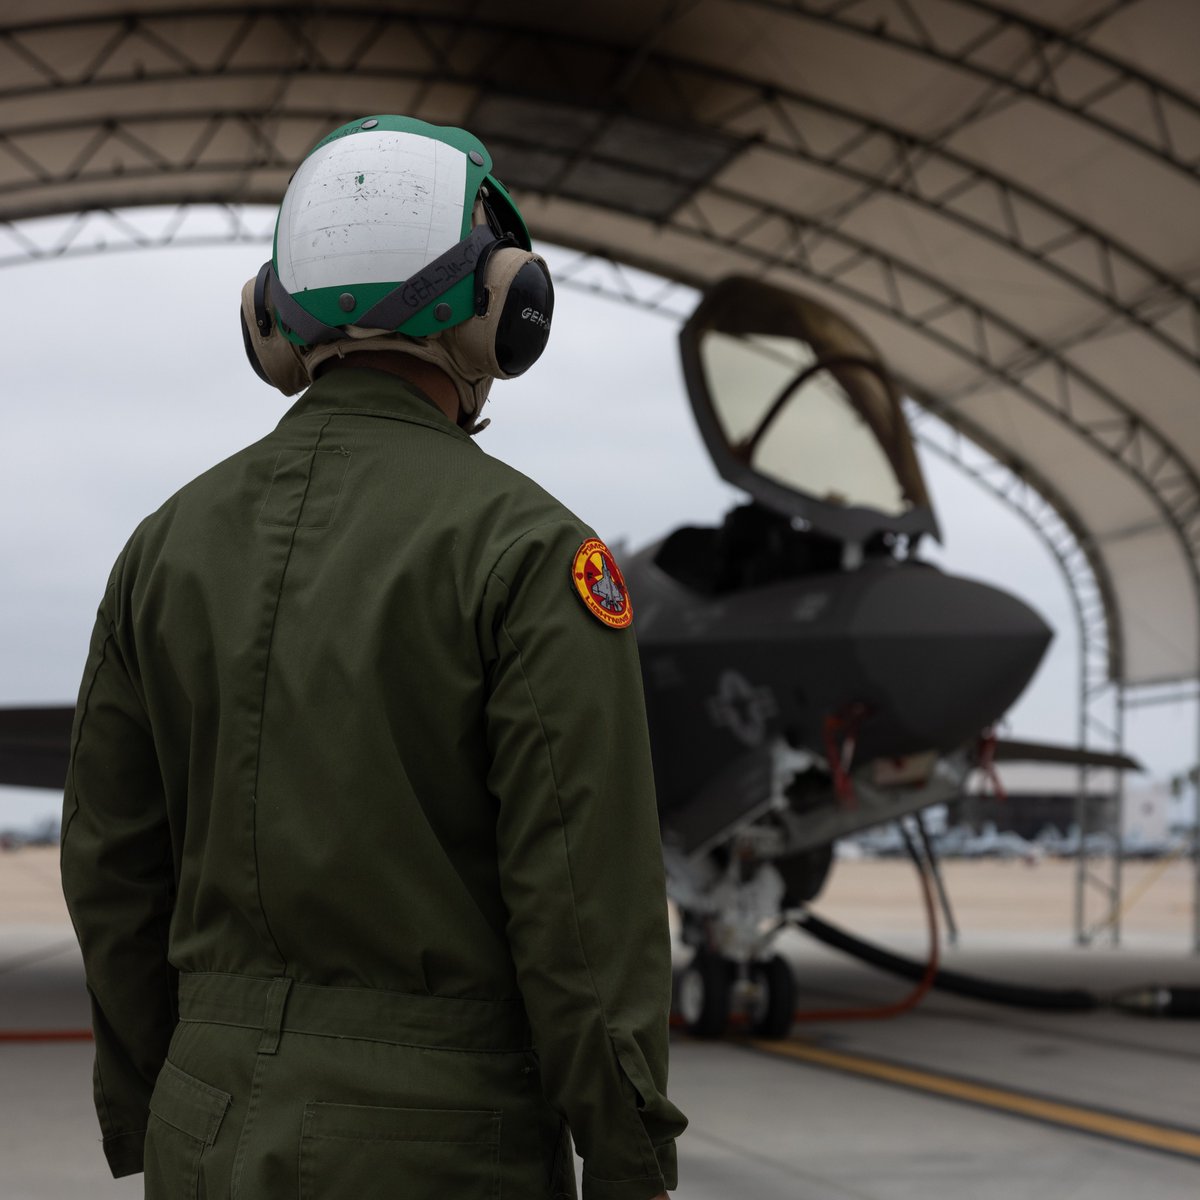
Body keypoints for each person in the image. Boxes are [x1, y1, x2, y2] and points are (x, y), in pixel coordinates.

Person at [61, 114, 685, 1200]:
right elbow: (584, 914)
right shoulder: (535, 555)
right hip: (441, 1147)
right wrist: (629, 1156)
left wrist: (159, 1096)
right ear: (502, 308)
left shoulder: (158, 550)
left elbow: (111, 871)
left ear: (273, 317)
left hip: (201, 1134)